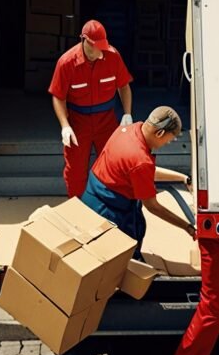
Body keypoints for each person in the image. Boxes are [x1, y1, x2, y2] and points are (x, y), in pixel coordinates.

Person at [80, 106, 194, 260]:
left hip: (93, 195)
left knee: (138, 226)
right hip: (109, 210)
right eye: (169, 140)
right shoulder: (140, 160)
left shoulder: (128, 129)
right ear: (160, 133)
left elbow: (143, 172)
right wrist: (187, 227)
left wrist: (182, 178)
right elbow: (153, 207)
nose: (167, 144)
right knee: (122, 259)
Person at [49, 20, 134, 198]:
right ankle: (78, 210)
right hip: (78, 121)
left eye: (103, 46)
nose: (100, 52)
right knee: (75, 172)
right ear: (84, 41)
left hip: (106, 120)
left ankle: (109, 206)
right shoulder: (66, 63)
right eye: (96, 47)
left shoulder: (112, 56)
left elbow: (124, 86)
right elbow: (58, 96)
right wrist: (65, 125)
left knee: (113, 164)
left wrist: (127, 114)